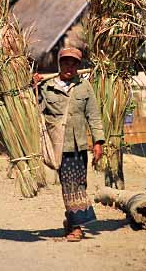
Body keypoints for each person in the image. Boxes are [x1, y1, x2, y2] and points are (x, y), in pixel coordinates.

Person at [34, 47, 105, 242]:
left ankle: (71, 219)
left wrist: (98, 142)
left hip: (79, 146)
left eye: (74, 63)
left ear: (78, 66)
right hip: (59, 146)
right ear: (59, 63)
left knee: (80, 183)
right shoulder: (47, 86)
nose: (69, 66)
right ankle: (76, 227)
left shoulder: (84, 87)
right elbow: (33, 109)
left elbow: (94, 116)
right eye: (66, 62)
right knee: (70, 184)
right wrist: (33, 86)